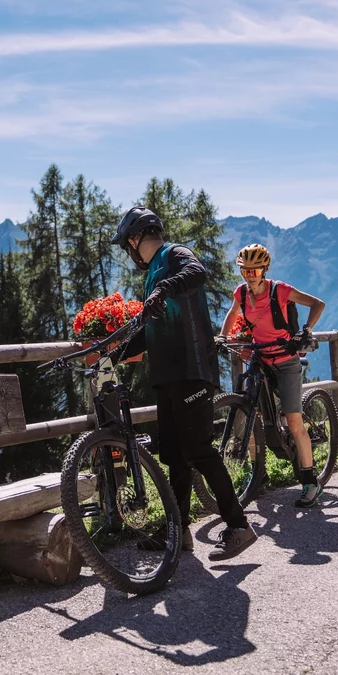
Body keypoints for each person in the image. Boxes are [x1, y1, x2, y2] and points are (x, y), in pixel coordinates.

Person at [111, 205, 258, 561]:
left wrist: (164, 287)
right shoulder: (152, 277)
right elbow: (151, 330)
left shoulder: (175, 254)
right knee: (175, 456)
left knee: (199, 452)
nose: (128, 252)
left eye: (126, 244)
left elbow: (197, 273)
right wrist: (113, 354)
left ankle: (239, 527)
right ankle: (178, 533)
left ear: (135, 238)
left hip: (192, 370)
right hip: (167, 377)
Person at [218, 243, 327, 507]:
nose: (250, 275)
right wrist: (222, 337)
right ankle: (259, 473)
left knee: (293, 420)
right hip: (260, 357)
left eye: (255, 270)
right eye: (246, 270)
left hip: (286, 360)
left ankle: (311, 481)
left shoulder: (281, 290)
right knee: (250, 411)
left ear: (265, 269)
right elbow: (232, 315)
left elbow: (317, 304)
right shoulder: (241, 294)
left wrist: (306, 329)